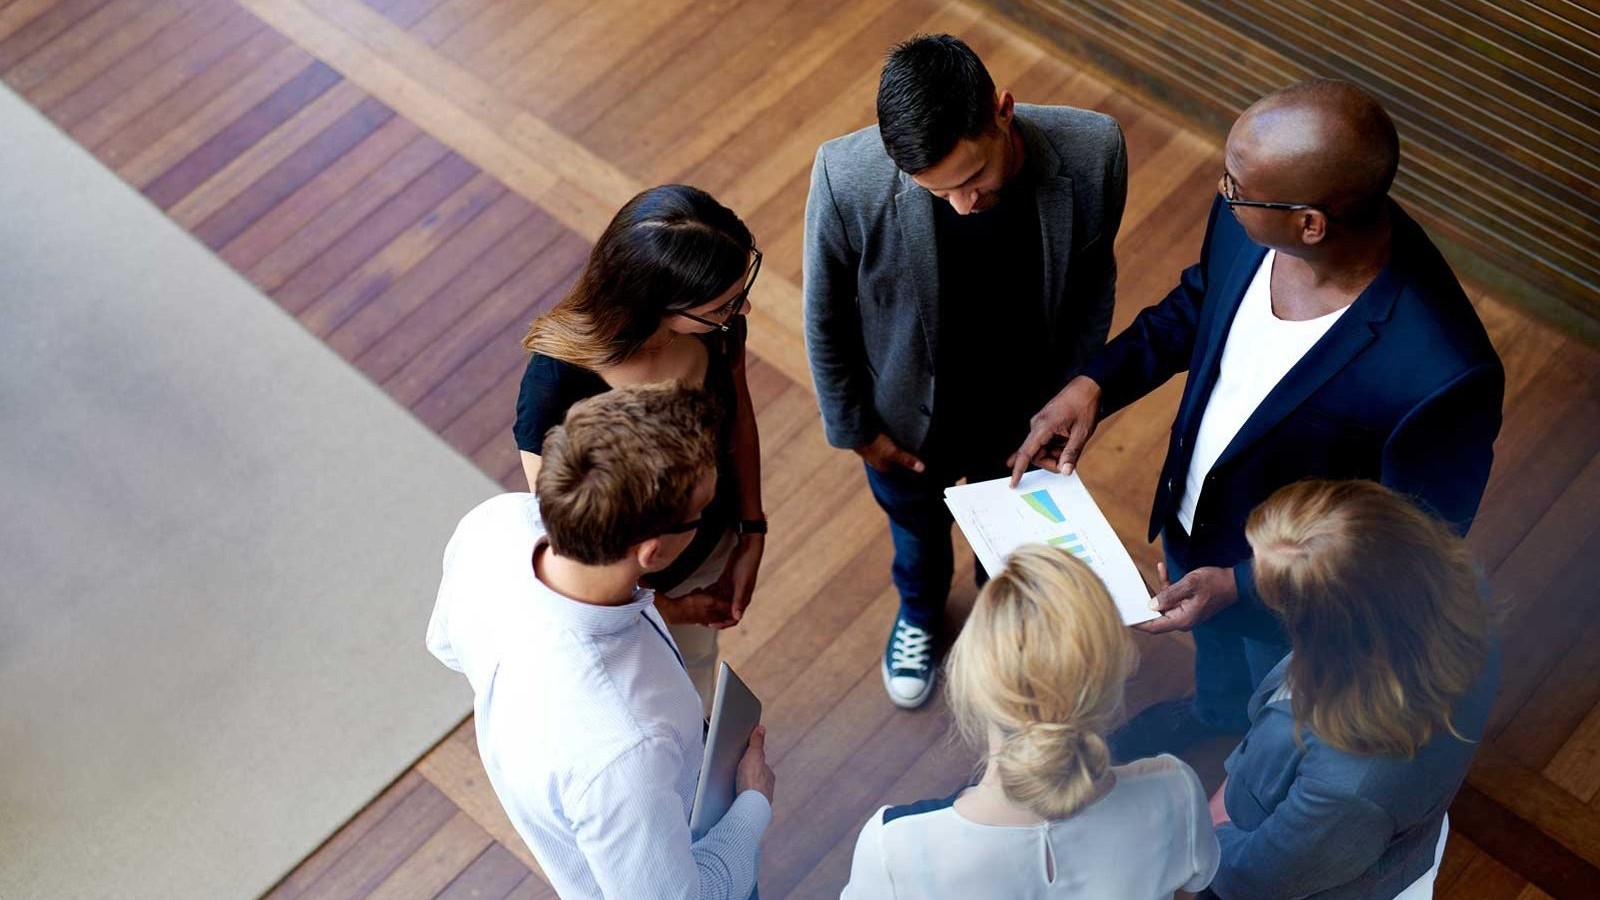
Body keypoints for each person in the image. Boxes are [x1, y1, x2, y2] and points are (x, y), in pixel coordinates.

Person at [1009, 79, 1504, 755]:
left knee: (1278, 709)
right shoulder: (1253, 223)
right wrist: (1097, 382)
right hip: (1196, 530)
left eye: (1236, 185)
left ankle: (1254, 753)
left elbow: (1407, 549)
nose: (1222, 192)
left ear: (1310, 223)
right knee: (1219, 661)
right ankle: (1216, 716)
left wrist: (1243, 583)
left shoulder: (1444, 372)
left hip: (1292, 603)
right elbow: (1198, 304)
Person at [805, 33, 1128, 708]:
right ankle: (920, 614)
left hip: (1023, 414)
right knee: (916, 541)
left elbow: (1095, 280)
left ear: (1003, 112)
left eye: (973, 178)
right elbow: (825, 316)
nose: (962, 203)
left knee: (1008, 546)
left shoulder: (1096, 152)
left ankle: (997, 620)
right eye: (936, 191)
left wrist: (1073, 389)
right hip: (905, 425)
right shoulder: (844, 177)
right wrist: (856, 430)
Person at [427, 383, 776, 900]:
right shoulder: (625, 749)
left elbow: (446, 643)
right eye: (701, 511)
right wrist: (752, 805)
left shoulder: (492, 525)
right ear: (653, 552)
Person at [840, 544, 1218, 898]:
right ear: (1114, 678)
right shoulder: (1175, 792)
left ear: (970, 682)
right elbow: (1193, 883)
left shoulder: (895, 849)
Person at [514, 184, 767, 708]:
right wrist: (674, 609)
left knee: (694, 671)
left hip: (705, 551)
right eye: (722, 304)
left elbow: (738, 417)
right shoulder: (556, 385)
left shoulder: (718, 330)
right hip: (625, 592)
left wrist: (751, 531)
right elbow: (581, 545)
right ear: (651, 302)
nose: (741, 309)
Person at [1203, 480, 1498, 899]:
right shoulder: (1452, 588)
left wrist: (1200, 833)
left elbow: (1253, 879)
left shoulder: (1351, 785)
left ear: (1331, 629)